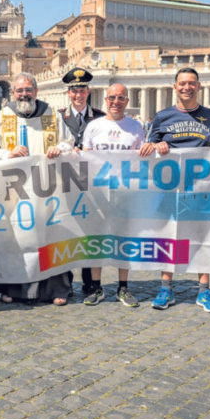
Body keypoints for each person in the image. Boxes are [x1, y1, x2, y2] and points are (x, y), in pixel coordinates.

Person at [0, 72, 73, 305]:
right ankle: (12, 288)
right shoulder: (0, 118)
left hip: (46, 189)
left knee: (51, 236)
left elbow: (68, 143)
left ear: (36, 92)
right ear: (13, 93)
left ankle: (55, 289)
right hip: (14, 191)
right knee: (14, 238)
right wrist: (8, 153)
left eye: (28, 90)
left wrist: (59, 149)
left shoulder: (52, 116)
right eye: (20, 90)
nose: (24, 94)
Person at [141, 68, 210, 313]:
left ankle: (204, 290)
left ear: (198, 86)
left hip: (201, 186)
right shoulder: (162, 116)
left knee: (201, 236)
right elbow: (149, 146)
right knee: (169, 236)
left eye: (191, 83)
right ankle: (165, 287)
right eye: (182, 83)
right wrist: (157, 145)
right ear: (175, 86)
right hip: (170, 187)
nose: (186, 87)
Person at [81, 83, 145, 307]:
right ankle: (96, 287)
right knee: (96, 239)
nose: (115, 102)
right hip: (98, 191)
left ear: (127, 101)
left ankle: (123, 286)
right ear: (105, 100)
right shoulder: (93, 126)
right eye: (112, 98)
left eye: (120, 98)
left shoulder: (136, 127)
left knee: (124, 239)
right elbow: (86, 159)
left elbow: (142, 159)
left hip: (125, 192)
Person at [58, 67, 106, 299]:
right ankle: (64, 282)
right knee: (65, 229)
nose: (78, 95)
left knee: (91, 231)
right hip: (65, 180)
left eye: (82, 90)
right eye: (74, 91)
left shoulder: (101, 117)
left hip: (92, 182)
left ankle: (90, 282)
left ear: (88, 92)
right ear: (69, 93)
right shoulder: (58, 117)